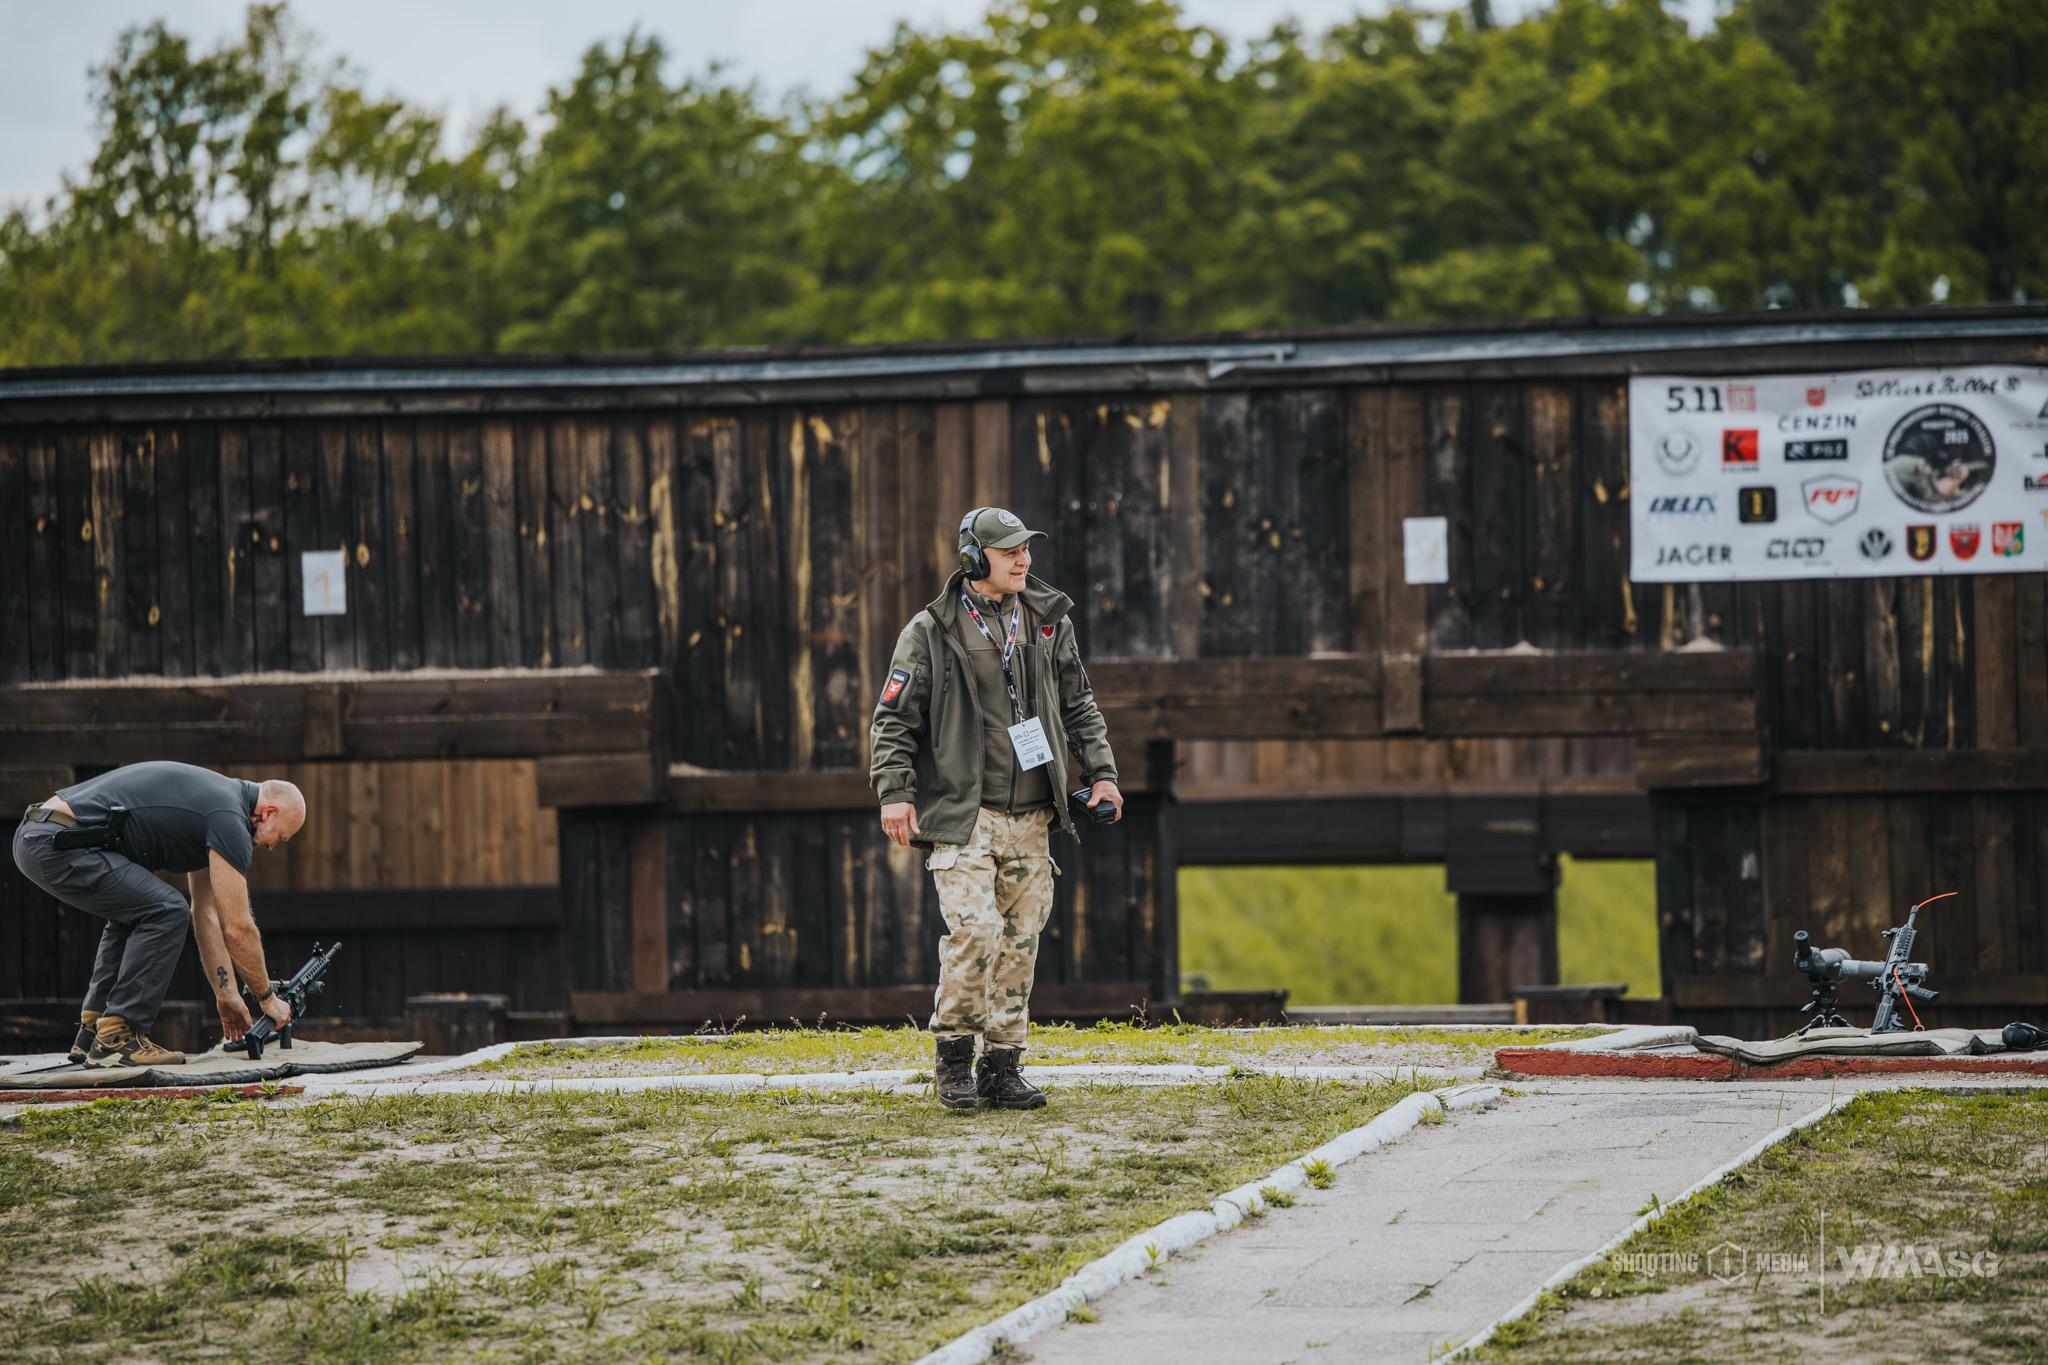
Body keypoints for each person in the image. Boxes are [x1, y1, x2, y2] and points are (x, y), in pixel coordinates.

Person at [870, 506, 1122, 1110]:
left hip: (1034, 815)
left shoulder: (1046, 618)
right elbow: (894, 719)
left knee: (1021, 940)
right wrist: (895, 793)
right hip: (965, 813)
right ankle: (954, 1057)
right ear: (974, 559)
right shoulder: (930, 630)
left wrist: (1104, 774)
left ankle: (1002, 1067)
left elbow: (1079, 701)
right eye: (1010, 552)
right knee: (977, 931)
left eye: (1026, 550)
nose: (1024, 560)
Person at [12, 762, 305, 1067]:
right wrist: (267, 997)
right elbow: (237, 928)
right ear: (269, 812)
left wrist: (227, 992)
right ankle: (119, 1038)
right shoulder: (230, 818)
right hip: (56, 840)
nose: (272, 847)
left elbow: (205, 912)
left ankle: (94, 1030)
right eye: (281, 837)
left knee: (140, 911)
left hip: (42, 834)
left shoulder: (218, 803)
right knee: (165, 910)